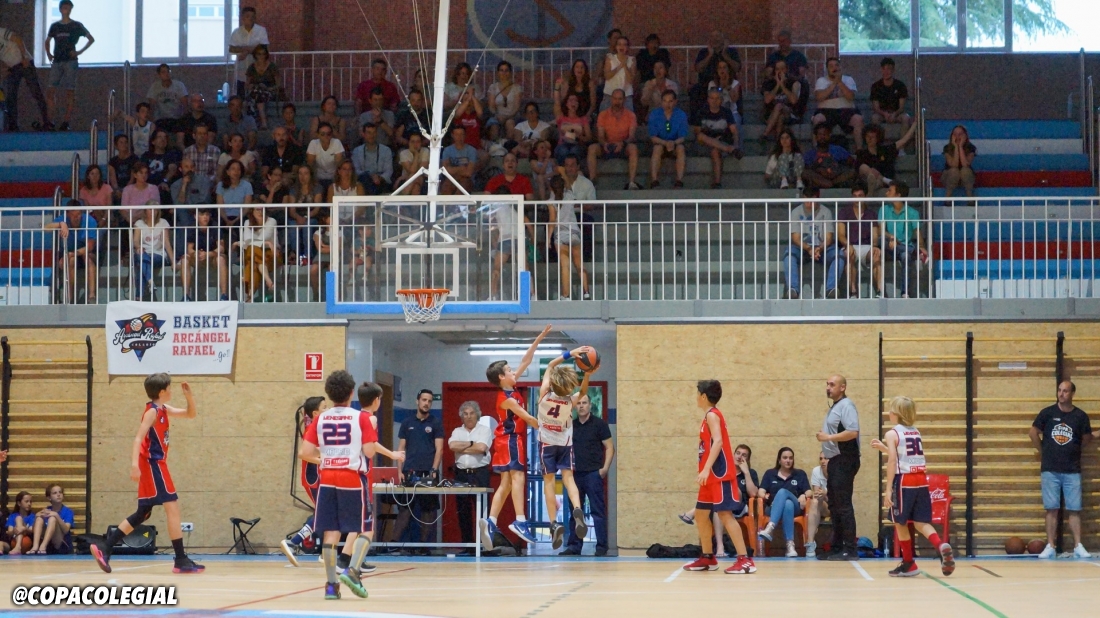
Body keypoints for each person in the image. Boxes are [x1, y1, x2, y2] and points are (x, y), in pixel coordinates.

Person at [298, 372, 403, 600]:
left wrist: (326, 456)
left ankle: (331, 586)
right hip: (351, 478)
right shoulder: (361, 417)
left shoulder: (320, 419)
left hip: (327, 478)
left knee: (331, 533)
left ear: (329, 393)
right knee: (366, 527)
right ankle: (353, 571)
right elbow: (369, 451)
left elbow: (305, 452)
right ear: (351, 393)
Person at [91, 373, 202, 573]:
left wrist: (189, 397)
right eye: (169, 387)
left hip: (154, 464)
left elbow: (190, 414)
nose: (171, 390)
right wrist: (134, 465)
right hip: (153, 464)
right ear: (162, 391)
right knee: (172, 508)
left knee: (143, 512)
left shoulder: (163, 409)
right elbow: (138, 438)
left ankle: (105, 547)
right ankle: (180, 559)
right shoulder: (152, 412)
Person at [480, 325, 553, 548]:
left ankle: (491, 522)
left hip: (504, 441)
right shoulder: (508, 399)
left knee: (506, 483)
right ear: (502, 377)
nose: (514, 372)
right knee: (518, 477)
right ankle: (520, 521)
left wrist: (539, 338)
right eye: (510, 370)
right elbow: (529, 419)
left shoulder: (510, 388)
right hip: (511, 440)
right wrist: (552, 426)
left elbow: (526, 361)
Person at [872, 396, 956, 577]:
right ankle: (941, 545)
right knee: (920, 522)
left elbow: (893, 461)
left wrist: (888, 489)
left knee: (900, 522)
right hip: (921, 480)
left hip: (904, 481)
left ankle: (909, 563)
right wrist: (884, 448)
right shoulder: (915, 432)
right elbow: (905, 456)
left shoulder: (892, 433)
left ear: (896, 413)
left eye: (891, 409)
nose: (889, 413)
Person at [682, 380, 756, 574]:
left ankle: (745, 560)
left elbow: (718, 442)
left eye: (697, 393)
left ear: (703, 396)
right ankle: (708, 557)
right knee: (700, 514)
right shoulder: (709, 415)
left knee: (725, 514)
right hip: (709, 478)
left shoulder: (712, 415)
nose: (696, 397)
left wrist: (706, 468)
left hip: (719, 475)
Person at [537, 346, 595, 549]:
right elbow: (584, 392)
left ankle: (554, 523)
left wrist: (570, 353)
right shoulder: (571, 401)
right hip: (564, 443)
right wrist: (587, 373)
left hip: (547, 443)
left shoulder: (544, 395)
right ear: (570, 387)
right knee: (569, 479)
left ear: (552, 383)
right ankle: (578, 508)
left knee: (549, 483)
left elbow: (551, 365)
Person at [1029, 380, 1092, 559]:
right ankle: (1050, 545)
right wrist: (1043, 451)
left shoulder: (1080, 416)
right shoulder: (1047, 413)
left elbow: (1086, 438)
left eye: (1065, 391)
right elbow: (1033, 432)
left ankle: (1078, 545)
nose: (1061, 394)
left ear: (1072, 393)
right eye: (1059, 390)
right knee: (1051, 509)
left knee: (1074, 509)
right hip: (1050, 469)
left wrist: (1074, 449)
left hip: (1072, 469)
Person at [388, 389, 444, 548]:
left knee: (428, 510)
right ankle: (393, 544)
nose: (426, 403)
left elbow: (439, 449)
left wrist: (434, 470)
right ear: (417, 401)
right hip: (409, 472)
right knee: (404, 509)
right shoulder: (407, 423)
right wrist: (399, 471)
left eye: (429, 401)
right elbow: (401, 449)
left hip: (428, 473)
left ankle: (423, 546)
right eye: (424, 400)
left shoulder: (436, 423)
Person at [562, 392, 614, 557]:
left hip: (593, 474)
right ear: (575, 407)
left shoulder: (599, 424)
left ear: (590, 405)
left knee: (597, 512)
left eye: (584, 403)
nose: (581, 406)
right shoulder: (571, 426)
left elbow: (610, 447)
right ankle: (574, 547)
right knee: (575, 512)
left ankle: (601, 547)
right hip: (574, 475)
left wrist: (604, 469)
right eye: (578, 403)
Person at [816, 374, 861, 561]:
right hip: (835, 460)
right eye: (827, 384)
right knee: (834, 506)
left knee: (843, 505)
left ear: (842, 387)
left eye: (832, 384)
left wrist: (828, 437)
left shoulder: (847, 405)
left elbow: (852, 432)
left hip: (845, 459)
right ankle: (836, 547)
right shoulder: (835, 406)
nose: (828, 387)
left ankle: (850, 549)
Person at [280, 396, 328, 565]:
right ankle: (293, 543)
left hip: (319, 476)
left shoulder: (319, 426)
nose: (328, 410)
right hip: (313, 477)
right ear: (315, 413)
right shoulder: (312, 429)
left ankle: (325, 553)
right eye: (324, 407)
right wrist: (322, 460)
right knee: (323, 512)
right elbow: (302, 454)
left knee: (327, 514)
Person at [783, 186, 843, 299]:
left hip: (822, 249)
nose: (809, 204)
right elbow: (795, 238)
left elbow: (829, 237)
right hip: (801, 248)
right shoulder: (796, 212)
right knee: (789, 254)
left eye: (812, 200)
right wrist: (809, 249)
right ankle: (793, 289)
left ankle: (831, 288)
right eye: (806, 200)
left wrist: (819, 248)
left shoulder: (826, 212)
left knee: (839, 254)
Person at [449, 401, 493, 550]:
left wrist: (462, 447)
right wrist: (472, 444)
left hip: (480, 474)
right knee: (463, 512)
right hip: (461, 475)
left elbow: (481, 448)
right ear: (462, 416)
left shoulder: (485, 430)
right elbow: (452, 446)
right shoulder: (457, 431)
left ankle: (484, 546)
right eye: (465, 414)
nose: (468, 417)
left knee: (483, 512)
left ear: (477, 415)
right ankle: (468, 546)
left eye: (471, 413)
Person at [44, 0, 93, 131]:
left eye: (68, 8)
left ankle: (66, 121)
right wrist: (48, 54)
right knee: (51, 91)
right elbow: (47, 41)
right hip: (57, 61)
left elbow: (91, 39)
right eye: (64, 7)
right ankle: (50, 121)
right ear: (60, 9)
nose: (66, 10)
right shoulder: (55, 26)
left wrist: (79, 52)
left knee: (70, 91)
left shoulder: (76, 25)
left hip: (70, 61)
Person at [757, 448, 813, 557]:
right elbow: (760, 491)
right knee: (788, 504)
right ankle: (790, 546)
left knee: (783, 492)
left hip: (796, 508)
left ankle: (770, 527)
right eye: (785, 458)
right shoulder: (770, 473)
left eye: (790, 458)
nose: (788, 460)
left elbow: (809, 491)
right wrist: (764, 496)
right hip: (772, 508)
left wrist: (804, 495)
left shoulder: (799, 474)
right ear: (779, 460)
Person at [880, 180, 927, 298]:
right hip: (889, 246)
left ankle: (905, 292)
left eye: (890, 191)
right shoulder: (884, 209)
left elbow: (917, 233)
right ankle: (915, 251)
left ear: (898, 195)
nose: (886, 193)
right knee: (882, 240)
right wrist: (891, 237)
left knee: (906, 256)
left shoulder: (912, 213)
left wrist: (922, 246)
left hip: (903, 247)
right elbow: (880, 231)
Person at [45, 200, 97, 304]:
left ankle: (92, 295)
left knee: (88, 259)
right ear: (68, 214)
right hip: (67, 252)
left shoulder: (89, 221)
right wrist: (60, 224)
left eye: (79, 214)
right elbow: (45, 228)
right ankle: (70, 297)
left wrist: (71, 254)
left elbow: (90, 246)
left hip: (84, 252)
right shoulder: (63, 219)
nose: (76, 217)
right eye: (73, 215)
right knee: (71, 261)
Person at [1, 24, 51, 131]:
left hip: (24, 62)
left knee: (36, 92)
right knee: (10, 96)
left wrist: (24, 57)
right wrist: (5, 70)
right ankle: (13, 126)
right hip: (12, 67)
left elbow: (18, 39)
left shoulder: (1, 32)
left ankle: (47, 122)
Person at [838, 182, 883, 298]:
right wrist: (848, 245)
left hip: (866, 246)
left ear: (865, 196)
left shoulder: (871, 213)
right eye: (855, 196)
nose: (857, 199)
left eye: (860, 196)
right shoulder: (844, 212)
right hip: (850, 245)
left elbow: (875, 235)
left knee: (876, 255)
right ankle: (853, 291)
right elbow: (840, 234)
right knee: (849, 255)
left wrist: (875, 246)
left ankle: (880, 291)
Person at [589, 89, 640, 189]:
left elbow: (631, 137)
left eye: (620, 99)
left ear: (624, 100)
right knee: (592, 148)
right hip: (607, 145)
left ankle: (631, 182)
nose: (617, 102)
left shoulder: (631, 115)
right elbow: (600, 136)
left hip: (623, 146)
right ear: (611, 99)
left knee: (633, 148)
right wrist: (604, 143)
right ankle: (592, 182)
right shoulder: (603, 114)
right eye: (615, 99)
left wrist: (622, 143)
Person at [692, 89, 741, 189]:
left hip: (721, 142)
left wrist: (736, 144)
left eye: (717, 98)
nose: (714, 101)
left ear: (721, 100)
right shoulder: (701, 112)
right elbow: (697, 132)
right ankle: (730, 149)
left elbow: (734, 131)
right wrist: (713, 140)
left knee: (715, 150)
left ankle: (717, 182)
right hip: (704, 144)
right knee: (701, 136)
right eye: (712, 98)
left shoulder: (726, 112)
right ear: (708, 99)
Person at [812, 58, 864, 150]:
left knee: (858, 119)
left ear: (840, 67)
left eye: (836, 65)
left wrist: (839, 82)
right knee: (817, 119)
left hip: (847, 110)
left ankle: (859, 151)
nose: (834, 68)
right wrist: (834, 83)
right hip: (825, 111)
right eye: (831, 66)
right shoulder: (821, 80)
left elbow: (851, 97)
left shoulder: (848, 79)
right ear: (827, 69)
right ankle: (817, 151)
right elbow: (819, 97)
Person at [178, 208, 228, 302]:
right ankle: (186, 296)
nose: (205, 217)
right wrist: (195, 253)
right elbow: (189, 248)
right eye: (202, 214)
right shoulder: (192, 227)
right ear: (195, 216)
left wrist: (208, 254)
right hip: (197, 258)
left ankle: (224, 295)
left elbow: (221, 247)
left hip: (212, 257)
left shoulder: (215, 226)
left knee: (221, 258)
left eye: (207, 214)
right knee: (184, 259)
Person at [857, 123, 916, 195]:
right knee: (864, 167)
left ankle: (876, 185)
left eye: (872, 137)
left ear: (877, 138)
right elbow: (859, 170)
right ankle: (877, 181)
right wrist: (872, 172)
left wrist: (915, 124)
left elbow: (904, 140)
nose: (869, 139)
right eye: (867, 136)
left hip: (883, 181)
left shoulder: (885, 150)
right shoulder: (862, 153)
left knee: (877, 180)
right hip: (867, 180)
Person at [233, 205, 277, 302]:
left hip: (271, 253)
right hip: (255, 254)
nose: (260, 212)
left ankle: (249, 296)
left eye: (262, 210)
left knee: (252, 255)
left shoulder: (271, 221)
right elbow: (247, 240)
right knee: (253, 259)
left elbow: (262, 238)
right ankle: (267, 280)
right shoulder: (247, 222)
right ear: (252, 211)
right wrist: (266, 243)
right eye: (257, 210)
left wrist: (239, 243)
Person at [648, 90, 688, 189]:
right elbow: (653, 137)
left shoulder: (681, 115)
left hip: (675, 144)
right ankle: (654, 180)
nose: (667, 104)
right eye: (665, 101)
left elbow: (682, 137)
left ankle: (679, 180)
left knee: (681, 148)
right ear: (661, 102)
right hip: (660, 143)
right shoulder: (654, 114)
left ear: (675, 102)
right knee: (657, 148)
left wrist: (673, 143)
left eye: (670, 101)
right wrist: (665, 143)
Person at [131, 207, 173, 301]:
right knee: (141, 257)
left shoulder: (163, 222)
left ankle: (139, 296)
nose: (153, 211)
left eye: (155, 209)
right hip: (143, 253)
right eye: (150, 209)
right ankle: (150, 282)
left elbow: (167, 243)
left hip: (158, 254)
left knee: (141, 263)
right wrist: (139, 247)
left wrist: (173, 261)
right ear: (145, 211)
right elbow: (136, 241)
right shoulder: (139, 223)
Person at [228, 6, 268, 97]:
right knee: (241, 96)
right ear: (242, 17)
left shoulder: (261, 31)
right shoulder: (236, 32)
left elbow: (264, 47)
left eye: (253, 16)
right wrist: (246, 49)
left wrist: (246, 51)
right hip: (241, 70)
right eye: (247, 16)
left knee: (258, 96)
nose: (250, 19)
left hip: (258, 69)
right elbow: (231, 48)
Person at [802, 123, 856, 190]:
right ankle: (828, 184)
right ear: (816, 137)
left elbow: (852, 162)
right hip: (819, 179)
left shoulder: (838, 149)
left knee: (852, 172)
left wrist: (836, 169)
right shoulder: (810, 154)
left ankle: (830, 184)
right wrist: (819, 170)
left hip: (836, 178)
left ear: (829, 135)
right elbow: (806, 169)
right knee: (805, 173)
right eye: (820, 134)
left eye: (825, 134)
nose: (822, 137)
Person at [760, 60, 802, 142]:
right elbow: (767, 100)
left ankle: (765, 134)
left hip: (789, 113)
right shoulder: (768, 83)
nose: (780, 71)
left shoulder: (794, 83)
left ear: (786, 69)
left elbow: (793, 100)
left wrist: (782, 85)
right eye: (777, 69)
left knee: (779, 106)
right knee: (780, 117)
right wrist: (777, 85)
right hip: (771, 115)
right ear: (774, 71)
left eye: (782, 69)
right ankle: (778, 142)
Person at [869, 57, 911, 139]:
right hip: (881, 114)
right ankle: (877, 144)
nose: (886, 72)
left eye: (889, 69)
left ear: (893, 70)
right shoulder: (876, 86)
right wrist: (885, 114)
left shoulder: (900, 85)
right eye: (884, 69)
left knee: (906, 117)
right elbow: (876, 108)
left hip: (897, 114)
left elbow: (901, 107)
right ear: (881, 70)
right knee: (874, 118)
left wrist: (894, 114)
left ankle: (902, 145)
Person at [30, 484, 75, 555]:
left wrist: (56, 515)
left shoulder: (68, 511)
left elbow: (66, 530)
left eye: (60, 492)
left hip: (62, 545)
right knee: (39, 519)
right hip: (49, 545)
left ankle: (43, 546)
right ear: (49, 497)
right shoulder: (46, 510)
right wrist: (36, 517)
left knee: (52, 519)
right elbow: (33, 531)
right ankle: (35, 546)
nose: (58, 495)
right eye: (55, 493)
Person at [351, 123, 393, 195]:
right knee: (364, 180)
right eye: (369, 133)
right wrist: (370, 176)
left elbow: (389, 171)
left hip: (381, 181)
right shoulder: (357, 151)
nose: (372, 136)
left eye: (374, 133)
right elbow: (356, 170)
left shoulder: (386, 150)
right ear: (363, 134)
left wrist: (379, 178)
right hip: (363, 181)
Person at [147, 63, 187, 134]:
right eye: (163, 72)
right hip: (160, 119)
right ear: (159, 75)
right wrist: (151, 121)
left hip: (177, 119)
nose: (166, 74)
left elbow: (185, 104)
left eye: (168, 71)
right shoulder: (154, 87)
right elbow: (151, 106)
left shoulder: (179, 85)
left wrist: (184, 119)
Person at [245, 45, 279, 129]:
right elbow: (247, 84)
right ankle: (263, 122)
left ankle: (259, 122)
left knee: (258, 95)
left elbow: (278, 84)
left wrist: (268, 88)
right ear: (255, 55)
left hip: (269, 91)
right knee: (257, 92)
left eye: (263, 54)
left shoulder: (272, 66)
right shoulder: (251, 67)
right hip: (255, 91)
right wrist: (252, 86)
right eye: (259, 54)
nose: (261, 56)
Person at [306, 121, 345, 191]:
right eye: (322, 134)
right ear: (318, 135)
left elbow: (339, 164)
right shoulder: (313, 143)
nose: (326, 136)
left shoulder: (337, 142)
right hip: (318, 177)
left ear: (332, 134)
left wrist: (337, 180)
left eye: (328, 134)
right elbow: (310, 165)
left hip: (334, 177)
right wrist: (313, 180)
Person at [488, 60, 523, 136]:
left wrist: (507, 117)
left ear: (510, 73)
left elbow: (516, 107)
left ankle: (509, 143)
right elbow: (491, 106)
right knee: (494, 125)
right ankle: (495, 142)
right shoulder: (493, 87)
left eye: (506, 70)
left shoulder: (516, 88)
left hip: (513, 116)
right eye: (501, 70)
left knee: (509, 123)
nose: (504, 73)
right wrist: (497, 116)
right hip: (497, 116)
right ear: (498, 72)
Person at [554, 93, 591, 165]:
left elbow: (589, 137)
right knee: (563, 151)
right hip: (563, 144)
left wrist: (579, 136)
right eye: (571, 100)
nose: (573, 102)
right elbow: (556, 103)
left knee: (574, 151)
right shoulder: (561, 117)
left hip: (578, 144)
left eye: (575, 100)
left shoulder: (583, 119)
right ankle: (563, 169)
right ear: (566, 104)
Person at [942, 124, 977, 198]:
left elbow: (965, 164)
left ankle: (970, 198)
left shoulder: (971, 148)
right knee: (954, 171)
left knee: (965, 170)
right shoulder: (947, 148)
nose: (957, 137)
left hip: (966, 178)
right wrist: (955, 147)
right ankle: (948, 198)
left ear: (965, 136)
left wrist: (960, 146)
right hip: (949, 177)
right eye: (955, 134)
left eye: (960, 134)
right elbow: (954, 164)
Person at [601, 36, 635, 111]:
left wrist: (625, 65)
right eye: (619, 44)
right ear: (616, 46)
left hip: (626, 95)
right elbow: (607, 76)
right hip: (610, 94)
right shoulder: (610, 58)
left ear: (627, 47)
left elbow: (631, 80)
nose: (621, 46)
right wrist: (620, 66)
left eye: (624, 44)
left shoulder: (632, 60)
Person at [216, 159, 253, 228]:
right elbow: (220, 207)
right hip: (224, 217)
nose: (236, 171)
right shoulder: (220, 185)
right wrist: (226, 220)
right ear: (227, 172)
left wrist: (235, 221)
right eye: (233, 169)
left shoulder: (247, 185)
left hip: (241, 217)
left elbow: (246, 208)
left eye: (238, 169)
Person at [441, 126, 478, 194]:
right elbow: (445, 171)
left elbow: (469, 172)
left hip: (467, 179)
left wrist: (453, 170)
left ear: (465, 135)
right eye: (457, 134)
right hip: (451, 178)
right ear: (452, 135)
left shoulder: (472, 150)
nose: (459, 137)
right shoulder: (447, 150)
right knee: (446, 187)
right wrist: (461, 168)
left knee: (462, 188)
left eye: (462, 134)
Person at [805, 452, 829, 556]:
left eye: (826, 458)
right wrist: (822, 494)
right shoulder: (816, 471)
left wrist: (825, 493)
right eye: (821, 459)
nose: (823, 461)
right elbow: (817, 493)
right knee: (814, 501)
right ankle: (810, 543)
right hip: (823, 505)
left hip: (836, 505)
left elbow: (839, 496)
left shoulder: (838, 471)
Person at [109, 134, 140, 207]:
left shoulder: (134, 159)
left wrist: (125, 190)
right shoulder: (113, 161)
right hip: (118, 188)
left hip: (132, 187)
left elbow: (133, 178)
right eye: (121, 142)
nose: (124, 144)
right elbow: (113, 178)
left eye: (126, 142)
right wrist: (117, 189)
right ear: (116, 145)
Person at [395, 131, 429, 195]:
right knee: (415, 187)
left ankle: (403, 197)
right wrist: (416, 154)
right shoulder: (403, 153)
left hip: (423, 178)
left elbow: (420, 171)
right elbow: (412, 171)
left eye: (418, 142)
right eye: (412, 142)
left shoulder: (425, 151)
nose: (415, 144)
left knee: (414, 177)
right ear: (409, 143)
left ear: (421, 143)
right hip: (407, 179)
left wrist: (416, 154)